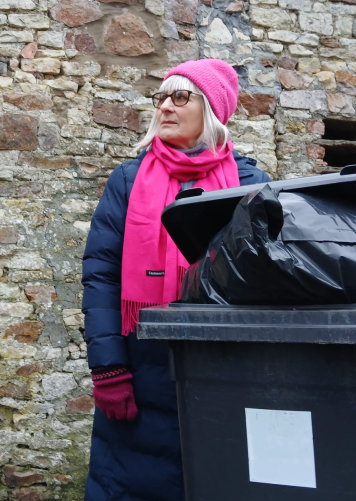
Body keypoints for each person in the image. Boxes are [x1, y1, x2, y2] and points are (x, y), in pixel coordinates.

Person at [81, 59, 271, 500]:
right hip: (141, 371)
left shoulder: (250, 184)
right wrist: (108, 367)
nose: (165, 106)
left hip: (222, 372)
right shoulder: (128, 180)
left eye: (180, 97)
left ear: (211, 109)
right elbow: (102, 277)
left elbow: (263, 285)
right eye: (161, 97)